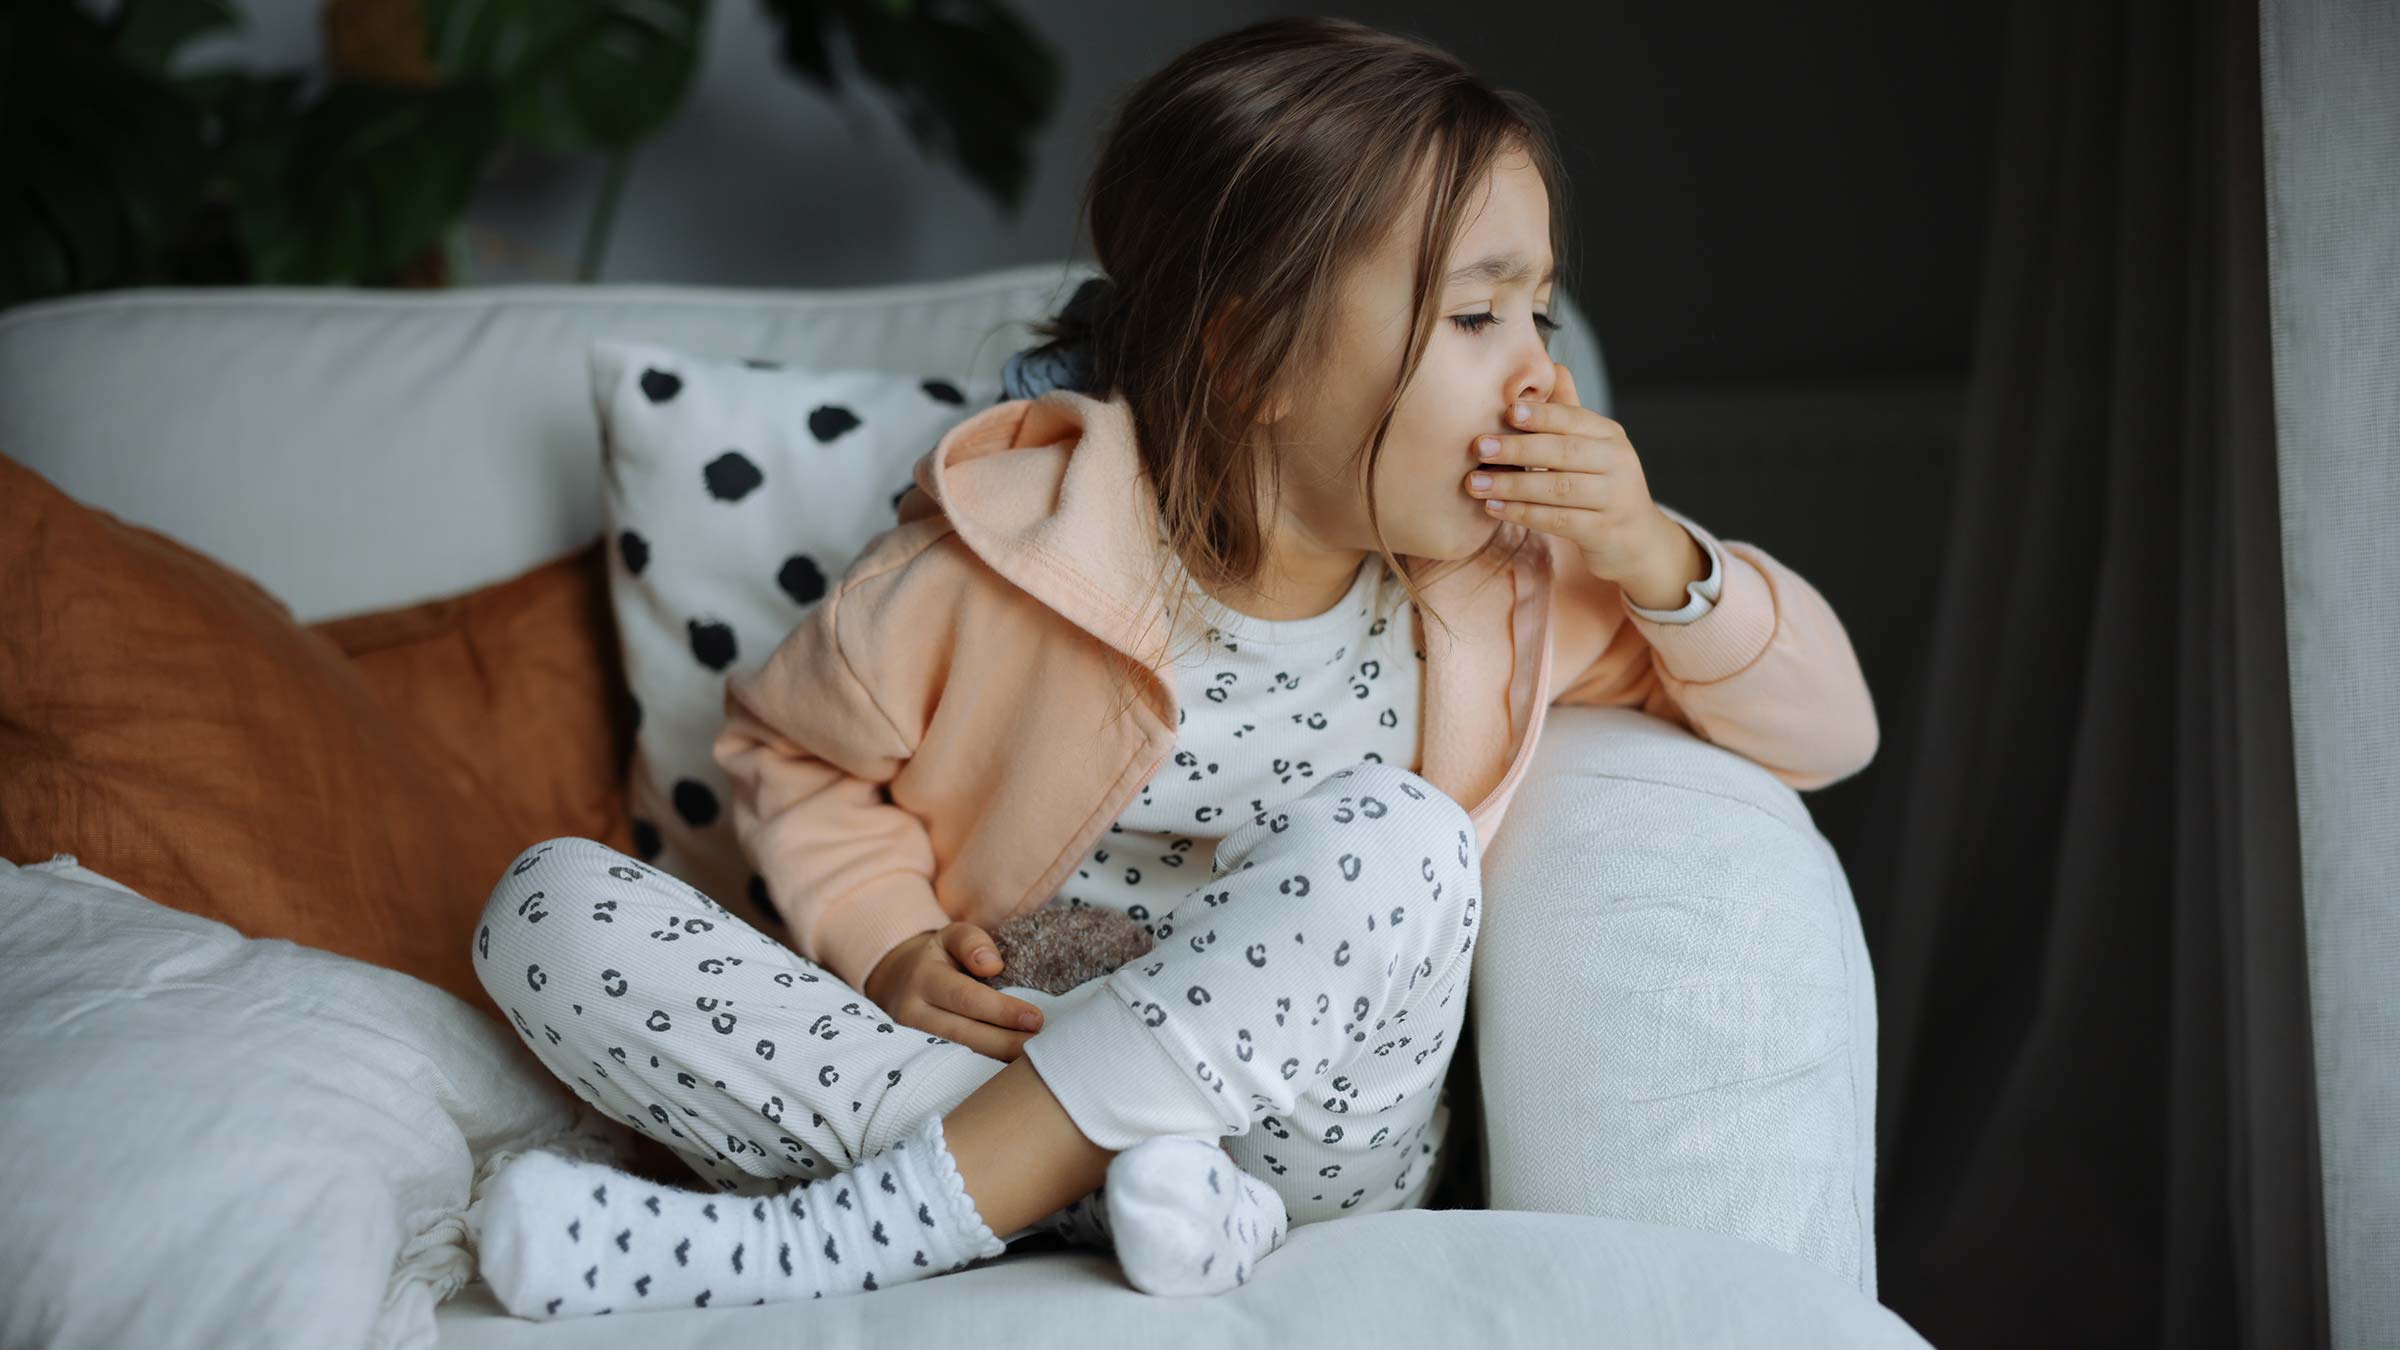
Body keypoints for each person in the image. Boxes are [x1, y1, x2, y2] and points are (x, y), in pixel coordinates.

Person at [464, 15, 1880, 1320]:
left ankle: (856, 1227)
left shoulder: (1506, 585)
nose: (1540, 379)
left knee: (1406, 838)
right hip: (990, 1067)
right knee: (547, 908)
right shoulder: (1009, 549)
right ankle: (1084, 1193)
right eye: (1475, 316)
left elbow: (1832, 728)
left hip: (1305, 1146)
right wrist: (885, 938)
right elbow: (794, 751)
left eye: (1541, 315)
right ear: (1252, 350)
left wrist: (1652, 555)